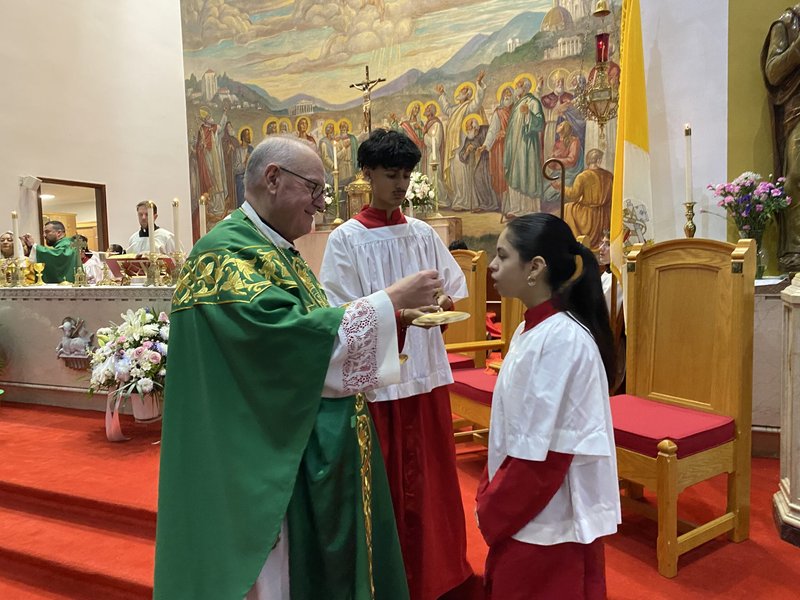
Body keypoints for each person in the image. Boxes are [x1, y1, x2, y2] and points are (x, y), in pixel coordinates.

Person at [154, 135, 445, 600]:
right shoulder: (226, 257)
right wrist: (388, 302)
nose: (320, 205)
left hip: (284, 443)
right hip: (256, 460)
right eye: (314, 189)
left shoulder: (273, 250)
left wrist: (396, 319)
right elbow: (288, 347)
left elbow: (309, 329)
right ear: (273, 178)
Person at [319, 129, 473, 600]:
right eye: (391, 175)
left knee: (430, 484)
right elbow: (339, 314)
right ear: (367, 175)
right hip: (378, 385)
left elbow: (452, 286)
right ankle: (386, 581)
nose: (401, 184)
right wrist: (399, 316)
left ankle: (435, 574)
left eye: (407, 174)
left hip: (423, 379)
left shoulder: (423, 232)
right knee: (385, 487)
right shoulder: (345, 239)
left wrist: (442, 300)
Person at [477, 213, 620, 599]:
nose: (492, 264)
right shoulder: (532, 328)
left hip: (546, 517)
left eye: (503, 256)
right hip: (527, 503)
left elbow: (547, 455)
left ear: (535, 268)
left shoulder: (562, 340)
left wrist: (494, 505)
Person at [762, 5, 800, 271]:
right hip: (797, 112)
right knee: (796, 177)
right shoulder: (786, 24)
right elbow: (773, 72)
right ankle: (795, 252)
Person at [504, 76, 545, 220]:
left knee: (526, 173)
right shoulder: (516, 105)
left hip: (527, 147)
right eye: (516, 86)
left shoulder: (533, 102)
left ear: (526, 87)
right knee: (515, 173)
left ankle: (529, 209)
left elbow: (539, 123)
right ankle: (516, 208)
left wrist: (528, 113)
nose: (516, 88)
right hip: (515, 147)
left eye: (519, 85)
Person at [559, 148, 613, 249]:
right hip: (604, 215)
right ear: (599, 160)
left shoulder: (583, 176)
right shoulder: (609, 175)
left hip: (588, 216)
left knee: (567, 208)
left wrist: (561, 187)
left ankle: (573, 241)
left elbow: (573, 195)